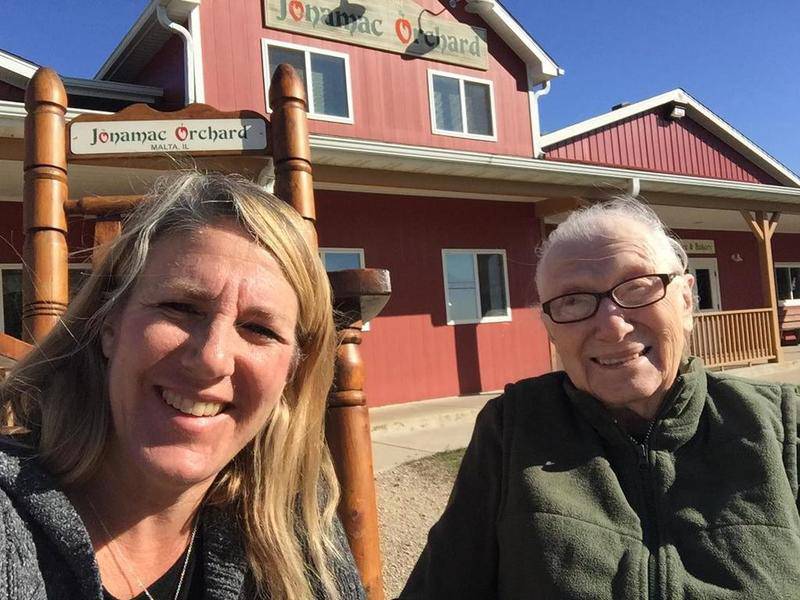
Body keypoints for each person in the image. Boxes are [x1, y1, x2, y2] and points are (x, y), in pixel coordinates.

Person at [400, 197, 800, 599]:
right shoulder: (512, 431)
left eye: (638, 286)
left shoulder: (781, 423)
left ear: (685, 301)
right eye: (573, 300)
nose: (611, 325)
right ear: (549, 327)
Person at [0, 172, 365, 600]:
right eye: (180, 307)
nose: (211, 357)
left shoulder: (302, 535)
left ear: (291, 373)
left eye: (259, 329)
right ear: (109, 324)